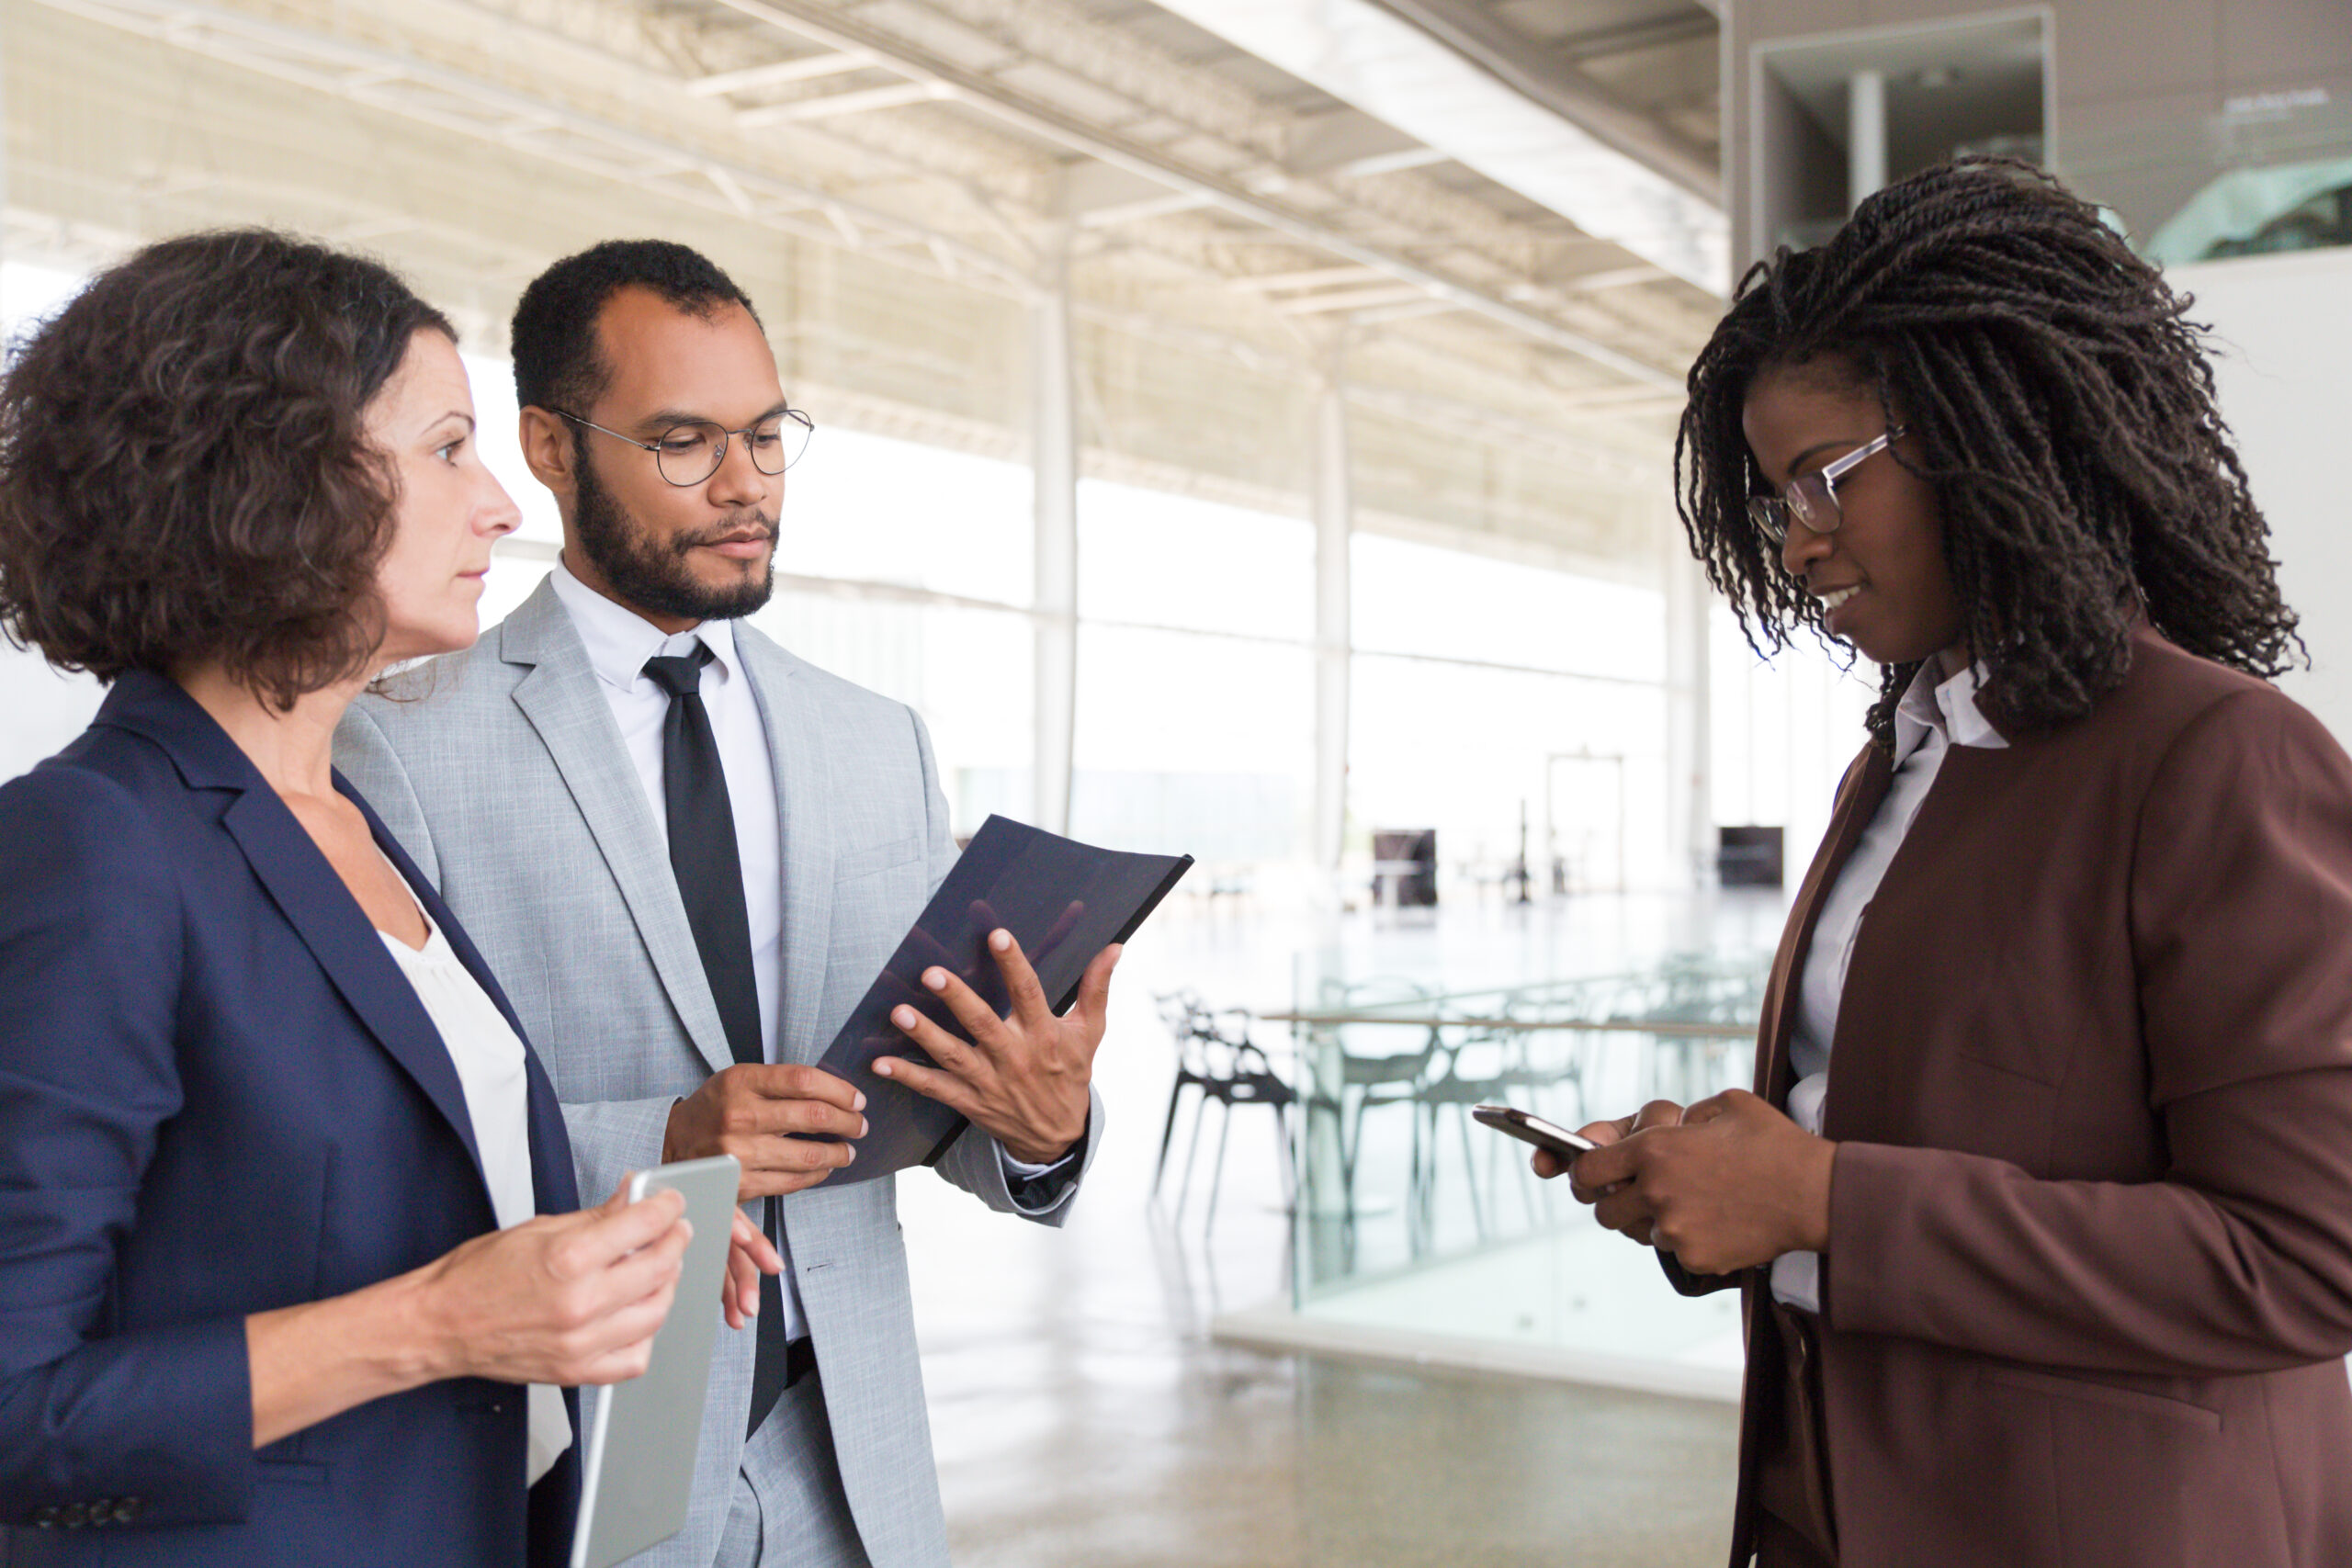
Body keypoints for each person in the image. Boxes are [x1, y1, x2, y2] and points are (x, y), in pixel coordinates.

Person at [1541, 160, 2352, 1568]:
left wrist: (1819, 1199)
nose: (1797, 543)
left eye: (1825, 480)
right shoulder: (1898, 762)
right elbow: (1894, 1127)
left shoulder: (2218, 756)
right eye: (1772, 497)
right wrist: (1715, 1189)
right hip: (1833, 1500)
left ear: (1998, 430)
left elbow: (2307, 1255)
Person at [334, 239, 1117, 1568]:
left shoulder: (877, 741)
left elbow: (921, 1097)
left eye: (766, 436)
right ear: (550, 446)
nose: (746, 484)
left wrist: (1039, 1127)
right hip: (588, 1455)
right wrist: (669, 1138)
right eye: (685, 441)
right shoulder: (401, 740)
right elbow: (377, 1149)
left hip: (853, 1458)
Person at [0, 231, 752, 1566]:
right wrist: (443, 1321)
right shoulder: (95, 842)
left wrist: (583, 1256)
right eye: (449, 447)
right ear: (275, 477)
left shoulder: (346, 820)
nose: (501, 507)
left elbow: (328, 1206)